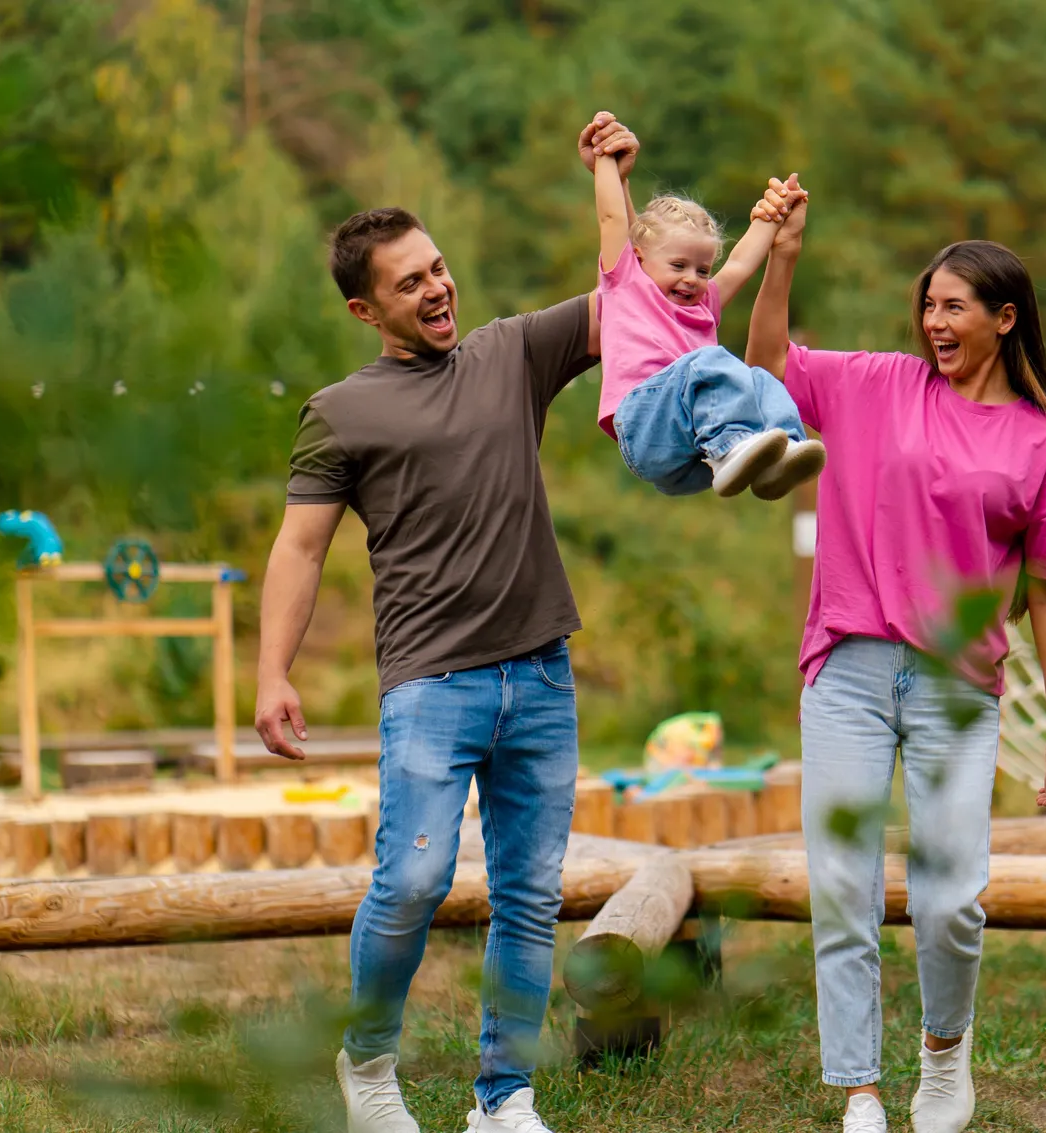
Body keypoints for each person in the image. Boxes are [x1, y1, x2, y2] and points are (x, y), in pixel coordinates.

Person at [253, 115, 644, 1133]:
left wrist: (607, 176)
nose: (436, 290)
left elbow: (626, 298)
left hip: (540, 672)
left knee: (528, 893)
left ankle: (503, 1097)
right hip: (432, 683)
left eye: (437, 269)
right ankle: (369, 1064)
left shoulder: (511, 353)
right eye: (409, 284)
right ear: (363, 308)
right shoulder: (340, 411)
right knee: (413, 877)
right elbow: (300, 548)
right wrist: (272, 671)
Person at [745, 188, 1046, 1133]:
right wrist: (782, 256)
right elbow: (766, 362)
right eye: (928, 305)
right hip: (848, 668)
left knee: (951, 900)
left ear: (1004, 319)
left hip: (956, 688)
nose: (935, 322)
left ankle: (943, 1052)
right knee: (842, 884)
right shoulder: (877, 385)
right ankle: (859, 1087)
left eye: (954, 307)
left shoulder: (1043, 442)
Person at [590, 115, 823, 500]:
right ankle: (732, 446)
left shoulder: (703, 304)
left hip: (694, 456)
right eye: (678, 266)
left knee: (758, 378)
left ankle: (780, 452)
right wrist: (604, 159)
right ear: (639, 257)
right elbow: (611, 217)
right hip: (646, 428)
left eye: (701, 270)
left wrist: (776, 213)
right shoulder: (627, 285)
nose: (692, 279)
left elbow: (740, 264)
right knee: (708, 362)